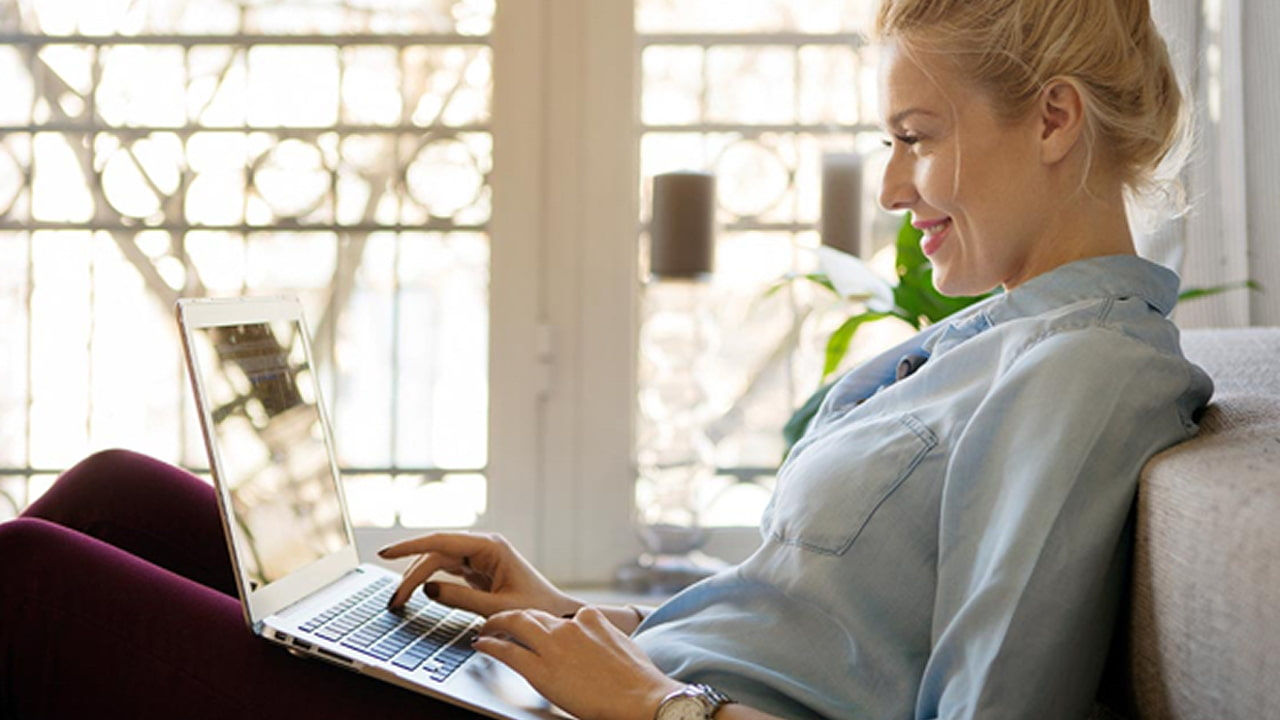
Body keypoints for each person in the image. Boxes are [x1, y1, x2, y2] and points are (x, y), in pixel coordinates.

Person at [0, 0, 1212, 718]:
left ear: (1053, 120)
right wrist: (575, 611)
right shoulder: (989, 340)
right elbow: (806, 625)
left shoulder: (1082, 374)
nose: (891, 186)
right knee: (115, 486)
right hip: (613, 679)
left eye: (915, 138)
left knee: (35, 582)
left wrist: (652, 705)